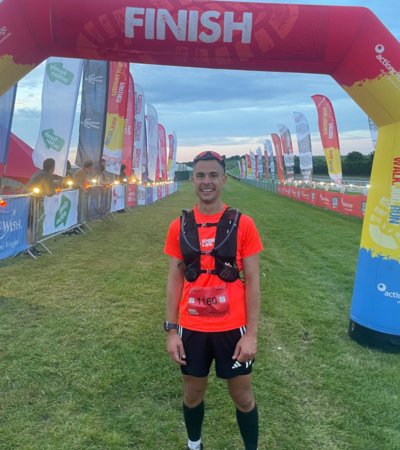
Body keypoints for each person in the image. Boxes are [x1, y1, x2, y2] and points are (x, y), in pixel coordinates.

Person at [164, 150, 263, 450]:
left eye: (213, 175)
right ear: (192, 180)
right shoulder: (178, 226)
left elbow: (254, 281)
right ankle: (195, 445)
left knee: (242, 396)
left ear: (224, 179)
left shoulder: (243, 224)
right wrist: (171, 330)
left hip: (232, 329)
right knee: (192, 394)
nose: (207, 182)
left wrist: (252, 335)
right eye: (201, 176)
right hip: (192, 327)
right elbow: (173, 280)